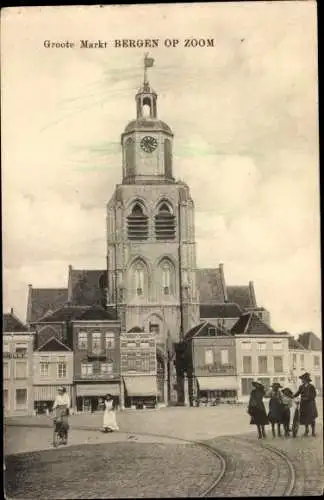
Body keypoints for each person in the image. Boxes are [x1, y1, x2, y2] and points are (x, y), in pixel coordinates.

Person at [293, 372, 318, 437]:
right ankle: (306, 430)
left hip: (310, 404)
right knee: (304, 417)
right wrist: (292, 396)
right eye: (302, 379)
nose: (302, 380)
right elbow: (297, 393)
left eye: (303, 379)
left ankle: (313, 432)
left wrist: (308, 398)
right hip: (303, 404)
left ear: (306, 380)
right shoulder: (301, 387)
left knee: (312, 418)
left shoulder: (311, 386)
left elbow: (314, 395)